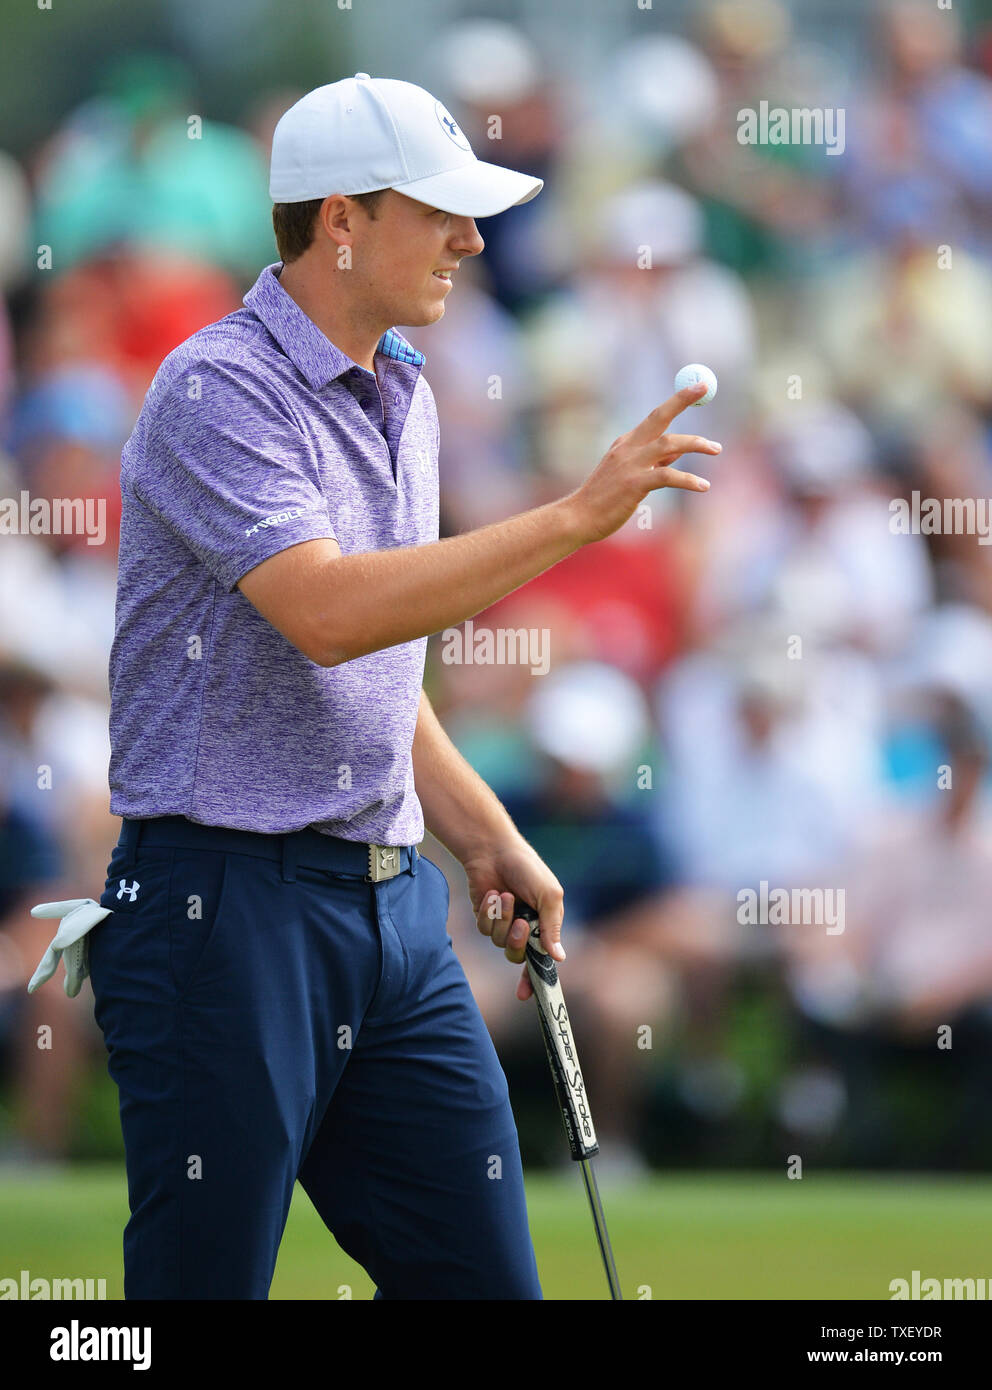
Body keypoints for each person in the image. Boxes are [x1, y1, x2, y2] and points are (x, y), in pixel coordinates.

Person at [28, 73, 721, 1300]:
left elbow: (377, 677)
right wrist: (576, 517)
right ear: (339, 220)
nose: (472, 238)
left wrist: (484, 834)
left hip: (392, 913)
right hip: (218, 914)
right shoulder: (215, 387)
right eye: (440, 211)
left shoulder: (403, 384)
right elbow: (332, 613)